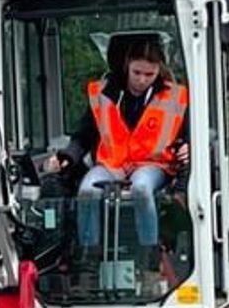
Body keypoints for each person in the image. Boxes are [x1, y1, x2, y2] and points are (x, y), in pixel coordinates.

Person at [45, 36, 189, 274]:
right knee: (87, 190)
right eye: (137, 72)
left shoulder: (175, 97)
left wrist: (189, 146)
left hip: (153, 165)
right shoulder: (103, 95)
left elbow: (191, 132)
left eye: (149, 74)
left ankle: (148, 255)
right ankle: (89, 256)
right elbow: (84, 135)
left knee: (141, 189)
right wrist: (68, 157)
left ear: (159, 71)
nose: (142, 80)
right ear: (126, 66)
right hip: (112, 163)